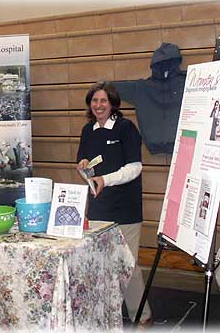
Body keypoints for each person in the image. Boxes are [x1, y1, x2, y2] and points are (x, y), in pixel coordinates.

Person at [76, 81, 152, 327]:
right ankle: (105, 313)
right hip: (98, 207)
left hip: (125, 209)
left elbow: (134, 168)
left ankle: (143, 316)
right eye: (94, 101)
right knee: (100, 264)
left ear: (112, 104)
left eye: (103, 101)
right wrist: (84, 168)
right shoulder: (88, 130)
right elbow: (84, 164)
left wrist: (105, 180)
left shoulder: (125, 128)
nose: (98, 105)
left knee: (127, 264)